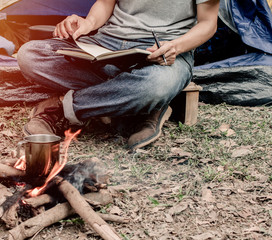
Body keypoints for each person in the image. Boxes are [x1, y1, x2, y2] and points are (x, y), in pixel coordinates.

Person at [17, 0, 220, 149]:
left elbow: (208, 23)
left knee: (155, 84)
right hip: (108, 42)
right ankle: (142, 105)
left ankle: (63, 109)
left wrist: (176, 46)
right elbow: (106, 3)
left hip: (164, 50)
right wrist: (88, 23)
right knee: (31, 55)